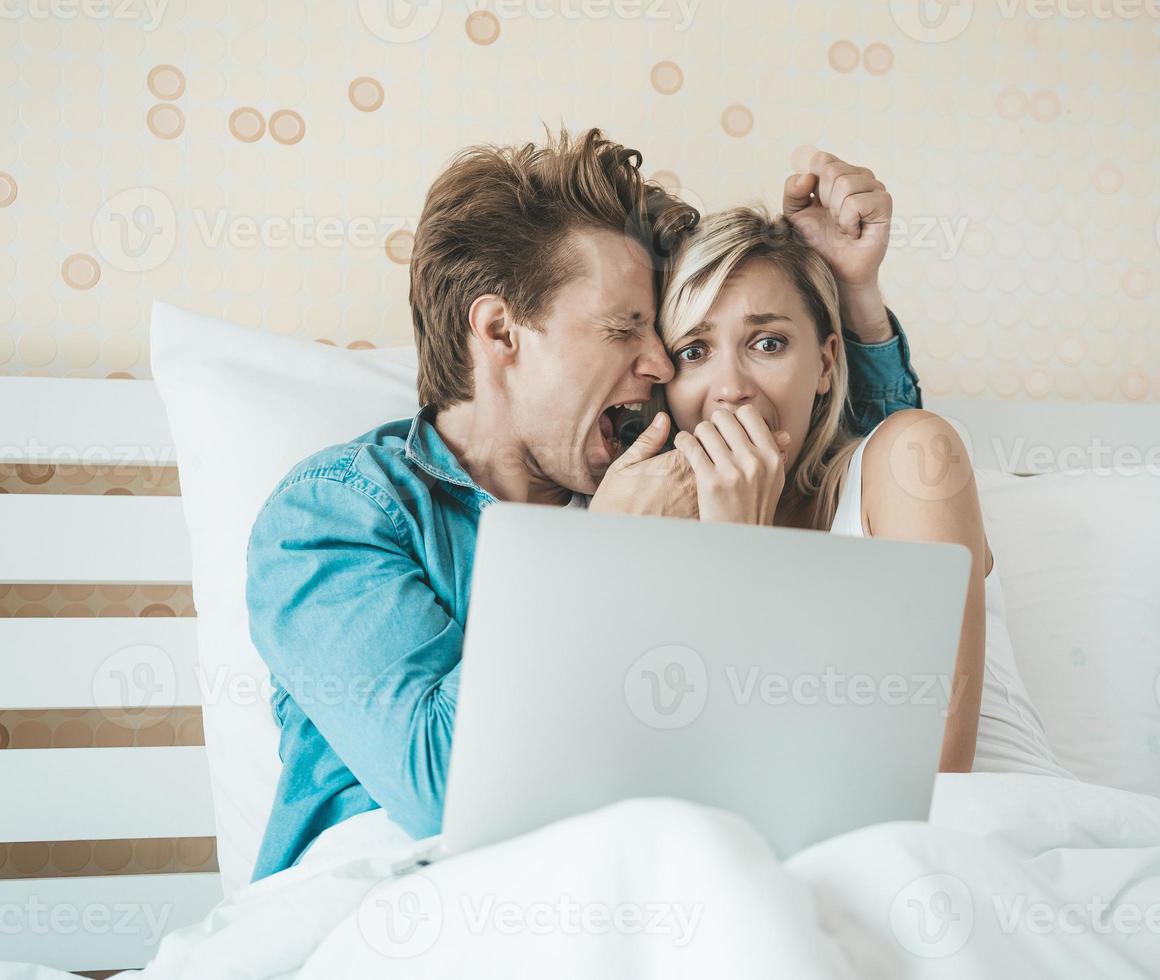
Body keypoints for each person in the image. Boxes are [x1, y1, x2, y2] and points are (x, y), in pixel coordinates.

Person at [244, 129, 924, 880]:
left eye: (665, 338)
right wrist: (605, 552)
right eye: (624, 329)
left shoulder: (655, 477)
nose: (660, 363)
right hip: (390, 896)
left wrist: (854, 300)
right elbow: (444, 788)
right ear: (502, 331)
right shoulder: (336, 515)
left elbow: (861, 479)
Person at [656, 202, 1068, 779]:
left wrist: (739, 551)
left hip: (987, 834)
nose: (730, 388)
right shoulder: (652, 545)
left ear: (826, 364)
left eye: (767, 343)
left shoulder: (911, 459)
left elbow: (934, 768)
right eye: (693, 352)